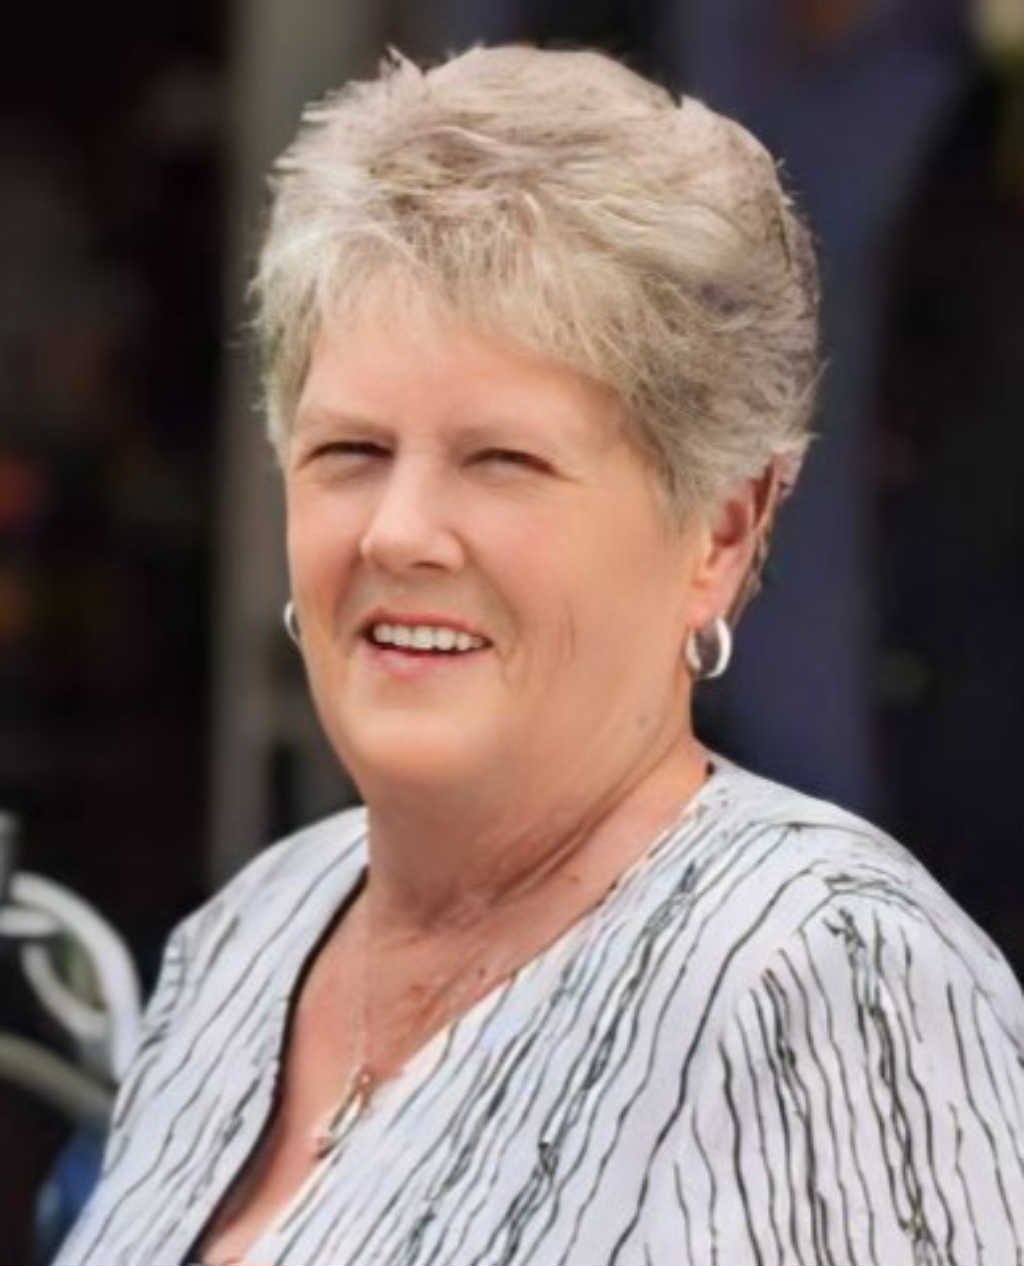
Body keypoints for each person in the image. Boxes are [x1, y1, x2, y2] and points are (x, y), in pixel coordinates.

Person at [54, 45, 1024, 1266]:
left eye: (502, 461)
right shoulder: (244, 938)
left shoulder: (828, 978)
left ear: (719, 534)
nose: (399, 532)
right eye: (351, 451)